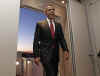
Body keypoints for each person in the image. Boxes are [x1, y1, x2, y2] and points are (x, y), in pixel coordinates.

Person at [33, 4, 69, 76]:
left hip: (55, 55)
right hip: (45, 54)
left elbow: (61, 39)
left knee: (54, 73)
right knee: (51, 73)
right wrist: (36, 55)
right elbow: (36, 41)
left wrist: (66, 50)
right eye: (50, 10)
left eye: (53, 10)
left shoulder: (58, 25)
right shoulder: (40, 24)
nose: (52, 11)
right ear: (45, 12)